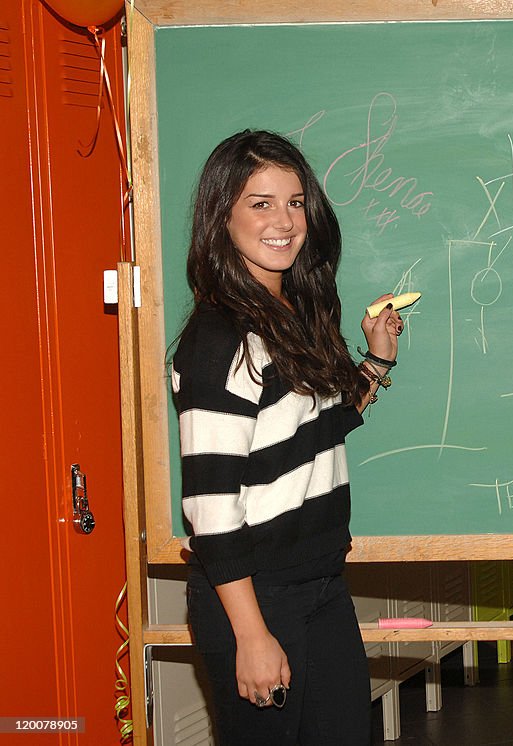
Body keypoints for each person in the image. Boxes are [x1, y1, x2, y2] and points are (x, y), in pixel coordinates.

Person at [172, 130, 402, 745]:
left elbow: (315, 431)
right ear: (223, 216)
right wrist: (251, 635)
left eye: (296, 202)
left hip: (320, 583)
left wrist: (374, 364)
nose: (284, 221)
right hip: (257, 596)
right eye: (260, 203)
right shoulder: (223, 338)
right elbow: (211, 507)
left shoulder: (290, 316)